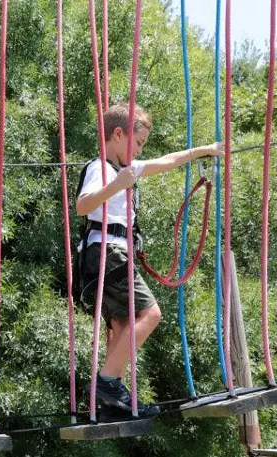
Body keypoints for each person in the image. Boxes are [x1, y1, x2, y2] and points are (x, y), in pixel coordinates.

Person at [75, 103, 223, 417]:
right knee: (151, 313)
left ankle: (112, 397)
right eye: (138, 142)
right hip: (107, 251)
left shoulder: (126, 169)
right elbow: (83, 205)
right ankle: (108, 381)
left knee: (124, 323)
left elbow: (167, 161)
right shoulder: (100, 168)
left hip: (113, 252)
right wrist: (117, 184)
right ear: (118, 134)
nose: (141, 150)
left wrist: (202, 151)